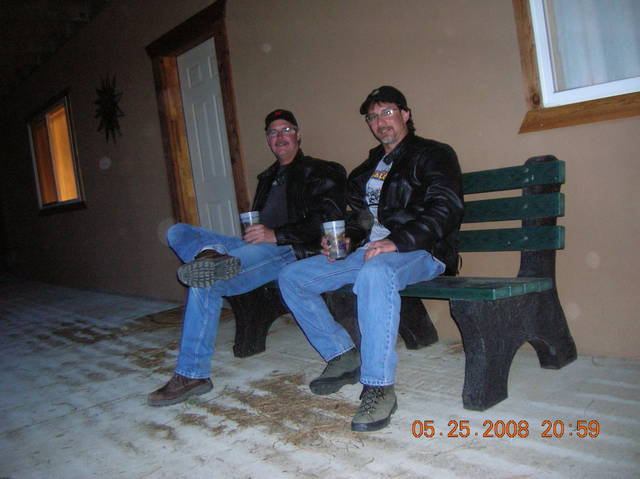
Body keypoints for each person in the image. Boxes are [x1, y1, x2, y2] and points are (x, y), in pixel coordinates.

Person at [278, 86, 464, 432]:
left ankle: (379, 387)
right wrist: (346, 239)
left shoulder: (433, 154)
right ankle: (341, 353)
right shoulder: (367, 169)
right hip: (373, 251)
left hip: (423, 249)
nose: (381, 122)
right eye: (373, 117)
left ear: (405, 114)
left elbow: (446, 209)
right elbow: (361, 221)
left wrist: (397, 241)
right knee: (292, 277)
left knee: (375, 273)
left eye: (388, 112)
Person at [148, 109, 346, 406]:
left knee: (205, 279)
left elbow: (328, 219)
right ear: (267, 139)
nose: (280, 137)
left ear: (298, 134)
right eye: (273, 132)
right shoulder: (267, 177)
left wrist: (276, 234)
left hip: (288, 250)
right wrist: (258, 234)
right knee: (177, 231)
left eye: (286, 130)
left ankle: (192, 374)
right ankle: (210, 255)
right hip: (257, 247)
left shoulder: (321, 170)